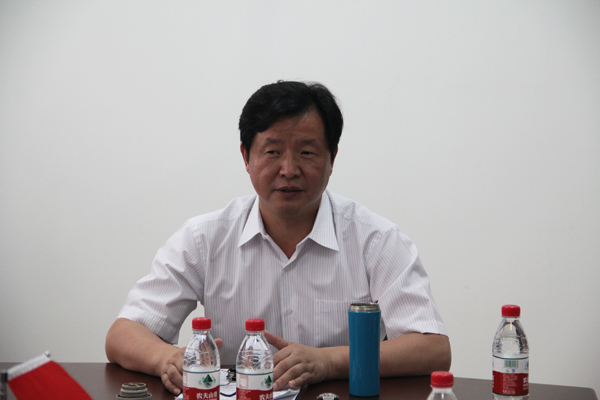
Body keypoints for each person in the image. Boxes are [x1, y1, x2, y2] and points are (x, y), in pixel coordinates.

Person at [105, 80, 451, 395]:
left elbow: (432, 349)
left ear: (332, 159)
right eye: (272, 152)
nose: (289, 169)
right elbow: (123, 334)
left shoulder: (377, 240)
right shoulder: (204, 237)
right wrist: (166, 358)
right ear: (246, 157)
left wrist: (328, 361)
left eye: (307, 152)